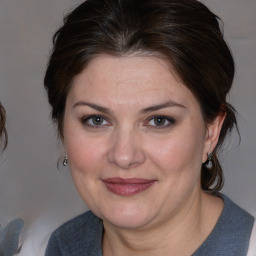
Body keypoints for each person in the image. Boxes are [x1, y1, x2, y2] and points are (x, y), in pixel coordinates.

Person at [44, 0, 256, 255]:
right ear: (62, 129)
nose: (124, 156)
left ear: (211, 132)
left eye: (159, 120)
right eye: (96, 120)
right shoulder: (62, 246)